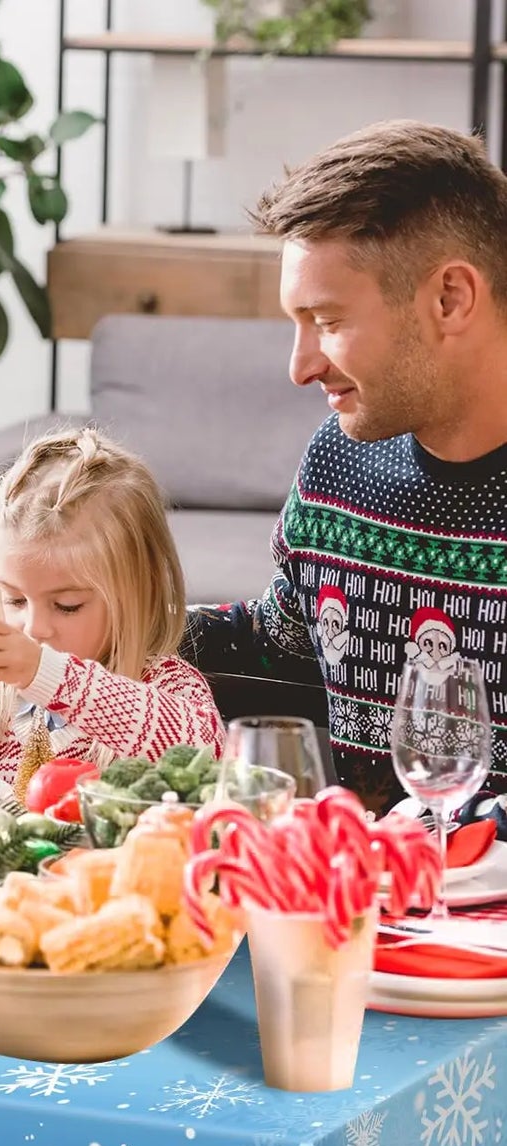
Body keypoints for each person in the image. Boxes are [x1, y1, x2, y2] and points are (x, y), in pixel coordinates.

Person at [183, 120, 507, 812]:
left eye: (326, 320)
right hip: (352, 908)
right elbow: (275, 646)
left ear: (449, 298)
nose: (298, 366)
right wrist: (90, 616)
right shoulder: (336, 461)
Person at [0, 428, 222, 803]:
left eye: (67, 605)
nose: (33, 628)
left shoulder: (168, 685)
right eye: (15, 601)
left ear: (139, 589)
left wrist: (47, 674)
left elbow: (205, 754)